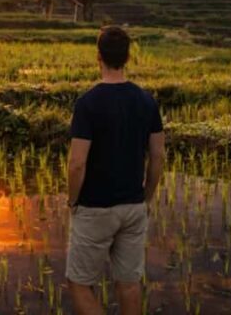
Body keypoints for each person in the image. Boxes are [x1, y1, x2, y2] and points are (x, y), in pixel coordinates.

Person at [66, 25, 165, 315]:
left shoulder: (87, 103)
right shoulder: (147, 101)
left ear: (98, 56)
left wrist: (73, 200)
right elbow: (158, 156)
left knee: (80, 284)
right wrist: (146, 197)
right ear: (128, 57)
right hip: (133, 206)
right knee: (129, 283)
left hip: (96, 207)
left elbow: (77, 162)